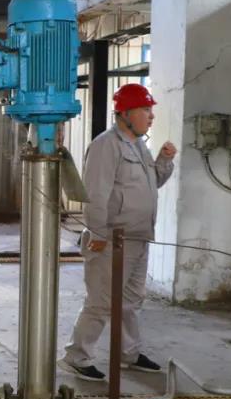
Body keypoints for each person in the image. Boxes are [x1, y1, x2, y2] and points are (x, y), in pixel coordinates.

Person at [61, 83, 177, 381]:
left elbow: (152, 184)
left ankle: (128, 353)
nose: (151, 116)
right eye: (145, 110)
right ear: (125, 114)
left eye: (150, 110)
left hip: (137, 238)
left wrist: (164, 161)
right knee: (101, 301)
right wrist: (98, 235)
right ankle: (76, 356)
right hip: (112, 238)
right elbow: (96, 195)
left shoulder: (138, 145)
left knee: (131, 301)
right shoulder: (106, 146)